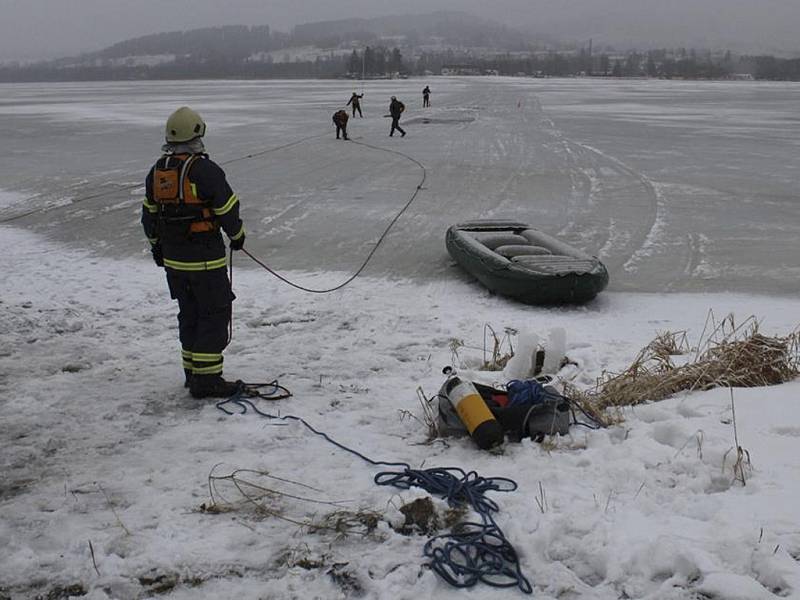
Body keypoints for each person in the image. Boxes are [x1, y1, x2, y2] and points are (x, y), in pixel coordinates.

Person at [141, 106, 246, 399]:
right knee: (213, 314)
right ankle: (207, 380)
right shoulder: (205, 170)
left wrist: (157, 248)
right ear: (197, 135)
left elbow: (149, 216)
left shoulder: (158, 171)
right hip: (205, 261)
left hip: (174, 262)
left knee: (189, 314)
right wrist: (237, 237)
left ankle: (192, 373)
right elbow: (227, 209)